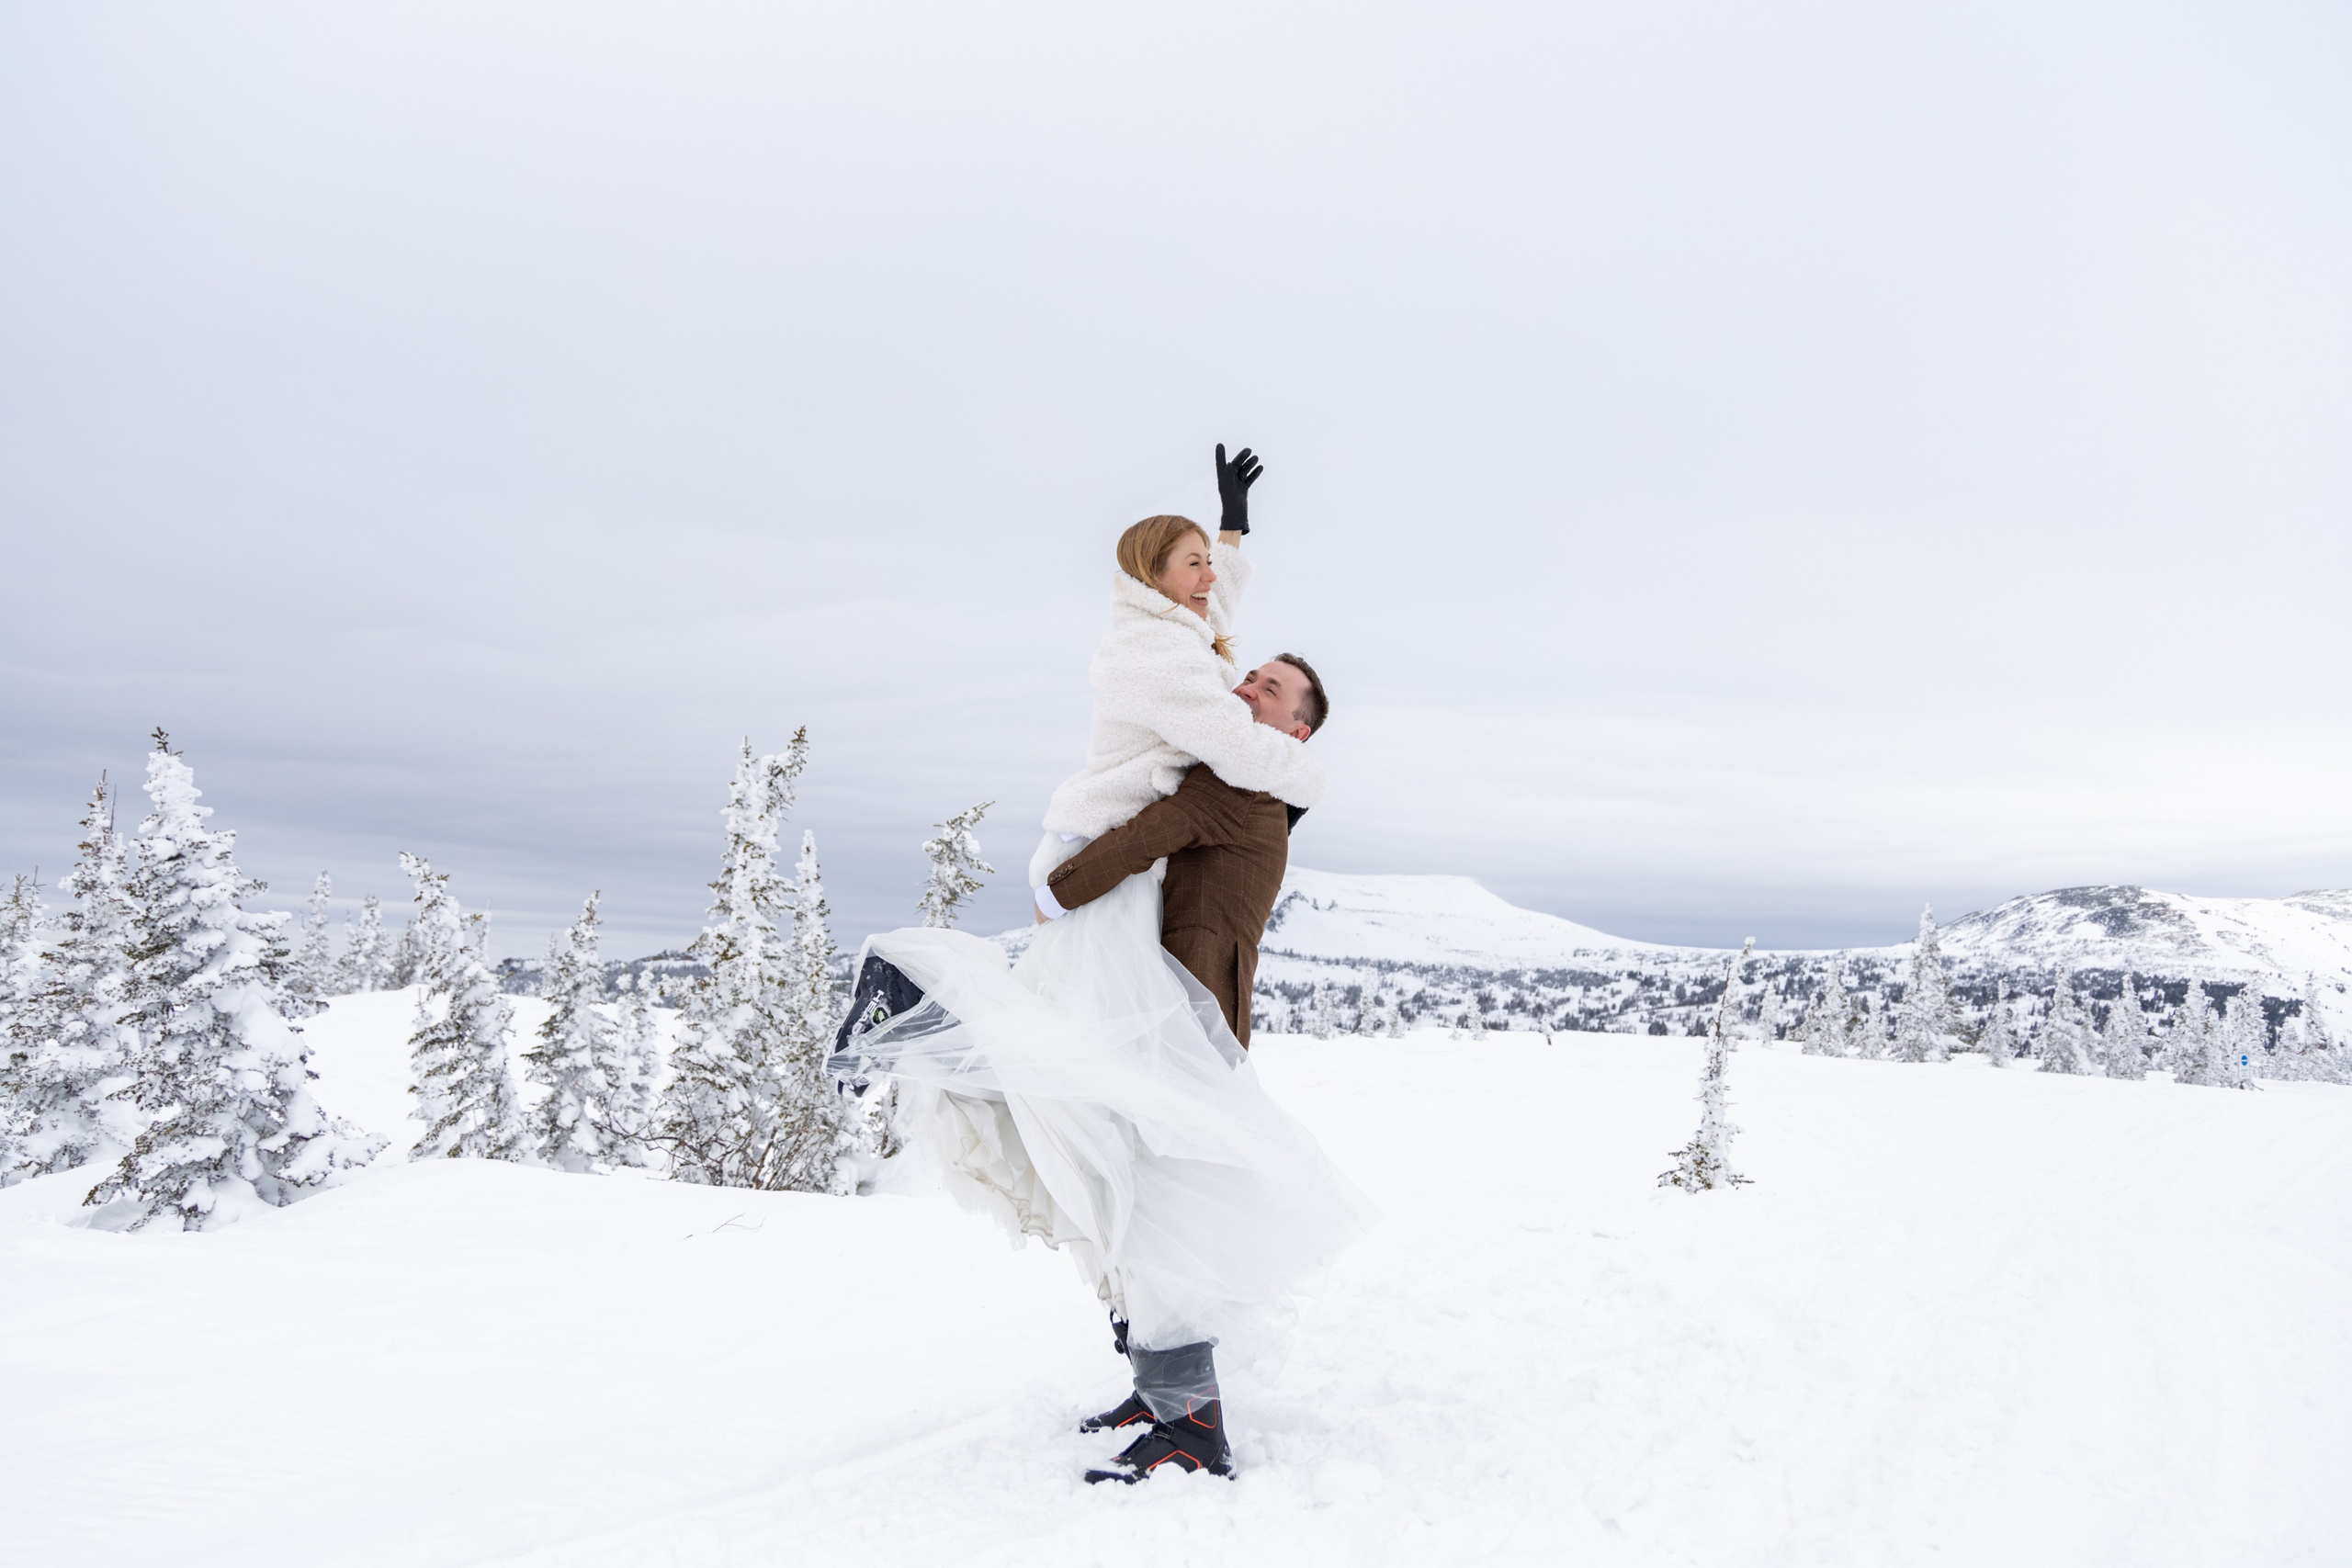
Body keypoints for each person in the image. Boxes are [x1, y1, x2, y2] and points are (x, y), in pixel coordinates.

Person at [831, 446, 1368, 1484]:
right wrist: (1232, 540)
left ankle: (1189, 1425)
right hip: (1160, 981)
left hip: (1180, 996)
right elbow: (1210, 650)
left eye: (1269, 688)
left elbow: (1162, 813)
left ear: (1294, 725)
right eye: (1250, 676)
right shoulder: (1213, 724)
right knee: (1108, 1156)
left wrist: (1058, 893)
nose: (1246, 681)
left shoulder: (1243, 778)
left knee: (1133, 1175)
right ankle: (1164, 1396)